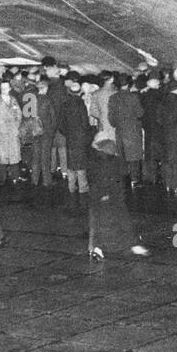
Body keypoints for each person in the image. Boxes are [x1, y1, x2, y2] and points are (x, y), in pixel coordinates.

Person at [86, 141, 149, 261]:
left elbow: (94, 180)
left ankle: (94, 247)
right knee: (121, 220)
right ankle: (131, 243)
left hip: (101, 196)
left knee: (97, 222)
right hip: (112, 196)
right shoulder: (114, 161)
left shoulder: (96, 161)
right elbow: (121, 176)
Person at [57, 76, 93, 208]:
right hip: (81, 137)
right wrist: (86, 134)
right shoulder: (81, 105)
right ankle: (83, 187)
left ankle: (71, 186)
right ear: (79, 93)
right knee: (81, 161)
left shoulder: (65, 105)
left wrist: (68, 133)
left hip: (70, 137)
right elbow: (85, 123)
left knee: (71, 162)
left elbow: (61, 124)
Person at [0, 79, 24, 189]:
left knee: (14, 155)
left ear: (10, 89)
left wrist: (17, 126)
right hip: (1, 133)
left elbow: (19, 115)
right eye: (2, 88)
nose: (4, 90)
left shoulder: (14, 100)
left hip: (12, 132)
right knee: (2, 157)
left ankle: (15, 177)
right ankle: (2, 179)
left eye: (6, 88)